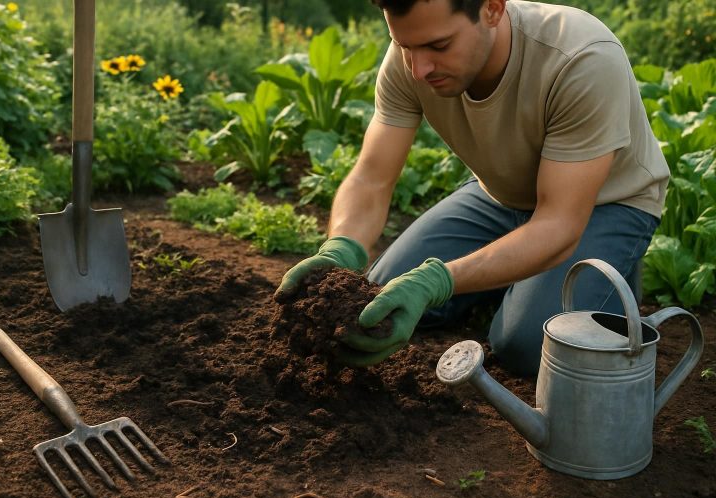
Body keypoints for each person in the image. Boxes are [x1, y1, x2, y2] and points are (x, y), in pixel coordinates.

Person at [275, 0, 668, 375]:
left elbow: (559, 224)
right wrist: (342, 247)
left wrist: (439, 280)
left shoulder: (581, 59)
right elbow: (371, 177)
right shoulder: (411, 58)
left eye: (439, 46)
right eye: (405, 46)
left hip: (604, 205)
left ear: (492, 9)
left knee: (527, 345)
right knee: (379, 300)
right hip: (499, 196)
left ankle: (608, 280)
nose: (419, 69)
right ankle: (510, 280)